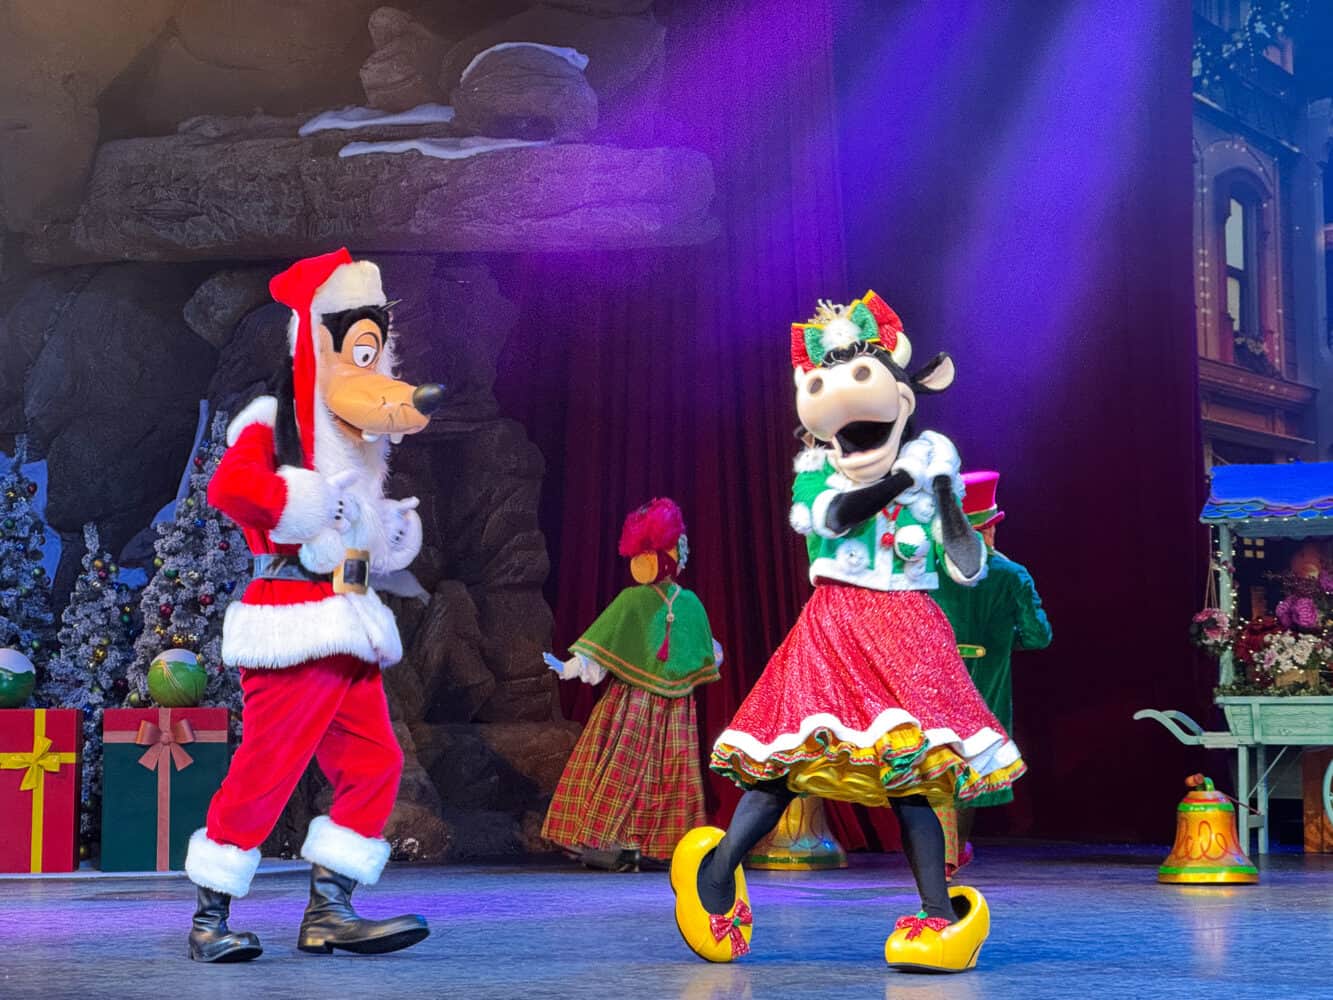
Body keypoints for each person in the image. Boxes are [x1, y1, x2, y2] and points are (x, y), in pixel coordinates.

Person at [669, 291, 1024, 973]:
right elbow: (830, 519)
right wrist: (898, 478)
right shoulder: (816, 472)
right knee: (784, 762)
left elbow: (968, 564)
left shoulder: (930, 471)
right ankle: (715, 873)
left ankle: (937, 911)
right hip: (836, 623)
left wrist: (944, 492)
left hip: (911, 626)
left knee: (913, 773)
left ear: (905, 400)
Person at [183, 249, 443, 962]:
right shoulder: (272, 417)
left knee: (374, 764)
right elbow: (233, 490)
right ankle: (210, 918)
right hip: (292, 616)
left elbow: (350, 523)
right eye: (357, 344)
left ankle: (330, 909)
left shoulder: (353, 445)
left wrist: (380, 533)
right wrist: (304, 501)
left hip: (346, 624)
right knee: (269, 767)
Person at [543, 498, 723, 870]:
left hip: (637, 705)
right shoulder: (674, 602)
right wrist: (572, 666)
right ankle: (627, 843)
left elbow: (703, 647)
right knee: (655, 772)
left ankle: (625, 841)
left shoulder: (677, 603)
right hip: (666, 708)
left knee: (629, 768)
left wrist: (572, 666)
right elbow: (611, 640)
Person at [932, 471, 1052, 877]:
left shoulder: (925, 570)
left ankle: (942, 851)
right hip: (987, 682)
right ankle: (952, 852)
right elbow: (1039, 636)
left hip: (932, 680)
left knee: (936, 757)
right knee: (972, 761)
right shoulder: (1012, 574)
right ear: (987, 529)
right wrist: (1002, 642)